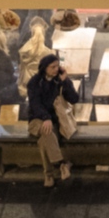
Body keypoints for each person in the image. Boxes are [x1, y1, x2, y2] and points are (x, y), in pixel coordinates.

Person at [23, 54, 79, 187]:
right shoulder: (35, 82)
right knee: (45, 129)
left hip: (55, 122)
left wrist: (65, 82)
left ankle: (48, 175)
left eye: (57, 66)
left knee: (44, 138)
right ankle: (62, 164)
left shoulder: (59, 81)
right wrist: (45, 118)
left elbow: (74, 99)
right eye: (52, 67)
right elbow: (35, 104)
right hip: (36, 120)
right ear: (44, 67)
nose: (56, 69)